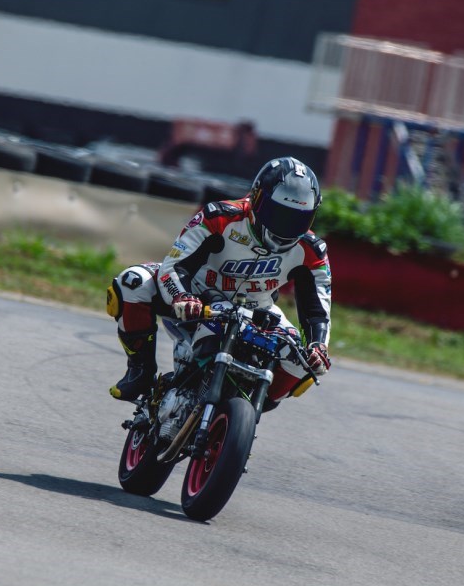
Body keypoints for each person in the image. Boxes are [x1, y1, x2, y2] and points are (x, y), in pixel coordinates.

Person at [105, 156, 332, 405]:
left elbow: (318, 310)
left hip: (257, 310)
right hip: (197, 297)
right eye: (278, 214)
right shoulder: (219, 217)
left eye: (298, 219)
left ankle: (252, 403)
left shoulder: (312, 249)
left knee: (307, 364)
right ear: (256, 198)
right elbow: (174, 265)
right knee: (132, 281)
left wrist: (318, 346)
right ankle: (140, 371)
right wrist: (182, 296)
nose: (285, 227)